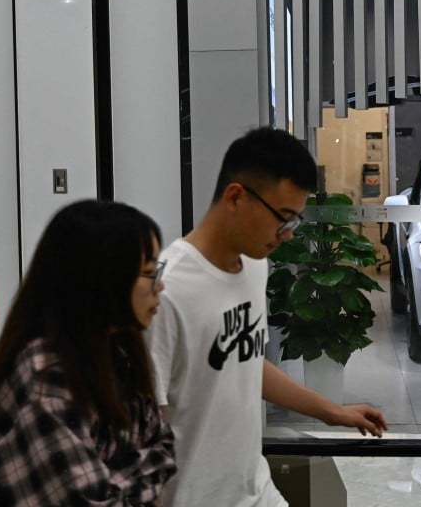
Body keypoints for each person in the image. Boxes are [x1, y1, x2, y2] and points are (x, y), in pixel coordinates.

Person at [146, 126, 388, 506]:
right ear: (236, 197)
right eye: (283, 218)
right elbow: (144, 431)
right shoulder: (166, 291)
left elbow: (246, 363)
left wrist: (332, 412)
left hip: (256, 492)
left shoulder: (254, 264)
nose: (287, 235)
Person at [0, 200, 176, 506]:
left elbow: (163, 447)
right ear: (102, 279)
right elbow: (93, 499)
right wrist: (142, 472)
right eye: (149, 272)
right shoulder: (43, 380)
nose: (159, 286)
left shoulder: (117, 352)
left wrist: (119, 479)